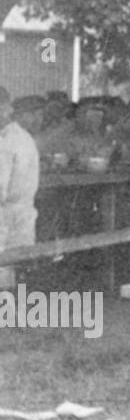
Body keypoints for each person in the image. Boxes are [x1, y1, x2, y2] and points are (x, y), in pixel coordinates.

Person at [0, 87, 40, 291]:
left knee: (5, 276)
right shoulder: (23, 136)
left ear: (6, 109)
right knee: (15, 276)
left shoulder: (6, 142)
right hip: (22, 215)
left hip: (6, 219)